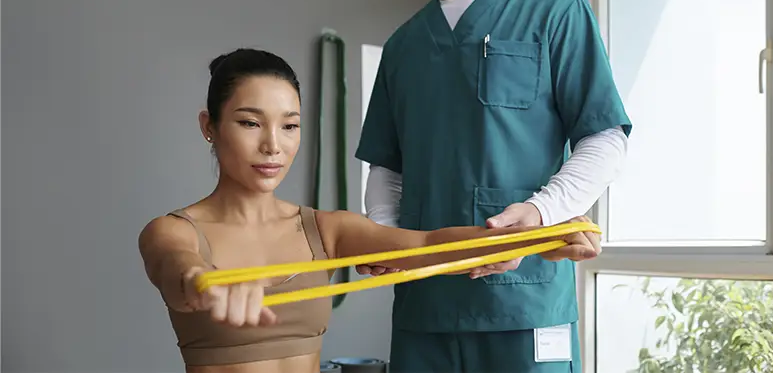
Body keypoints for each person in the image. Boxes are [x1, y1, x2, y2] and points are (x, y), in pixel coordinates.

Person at [137, 48, 603, 373]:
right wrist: (203, 285)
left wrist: (542, 239)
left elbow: (427, 245)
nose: (273, 145)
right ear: (209, 126)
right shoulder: (173, 232)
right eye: (249, 122)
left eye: (291, 125)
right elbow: (180, 273)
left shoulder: (327, 229)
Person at [354, 0, 633, 372]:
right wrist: (388, 241)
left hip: (525, 307)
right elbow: (387, 167)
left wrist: (538, 214)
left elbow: (605, 138)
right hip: (424, 308)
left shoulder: (557, 14)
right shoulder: (403, 48)